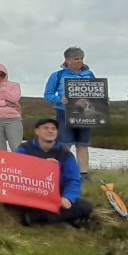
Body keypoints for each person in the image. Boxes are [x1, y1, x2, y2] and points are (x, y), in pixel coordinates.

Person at [15, 119, 94, 227]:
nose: (50, 131)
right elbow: (17, 171)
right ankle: (53, 218)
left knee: (86, 206)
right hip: (31, 192)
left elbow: (73, 180)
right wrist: (42, 166)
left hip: (55, 194)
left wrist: (68, 198)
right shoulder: (24, 149)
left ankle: (38, 218)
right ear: (37, 131)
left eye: (54, 129)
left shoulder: (65, 154)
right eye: (46, 128)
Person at [43, 47, 95, 179]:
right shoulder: (58, 75)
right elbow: (48, 94)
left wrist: (102, 100)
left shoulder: (89, 74)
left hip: (84, 113)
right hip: (64, 112)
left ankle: (83, 174)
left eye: (81, 58)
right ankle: (60, 171)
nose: (79, 61)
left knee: (83, 143)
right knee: (65, 143)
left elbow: (95, 91)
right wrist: (59, 99)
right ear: (67, 60)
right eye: (76, 58)